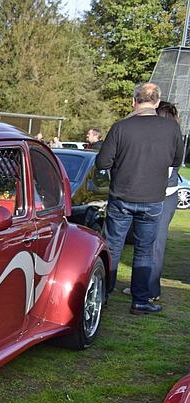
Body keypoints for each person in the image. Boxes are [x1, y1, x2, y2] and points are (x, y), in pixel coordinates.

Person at [95, 82, 183, 315]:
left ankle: (103, 293)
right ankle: (140, 301)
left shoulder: (121, 127)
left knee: (113, 246)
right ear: (157, 102)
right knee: (144, 250)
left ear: (134, 101)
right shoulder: (171, 129)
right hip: (153, 198)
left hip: (122, 196)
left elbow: (102, 162)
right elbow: (177, 160)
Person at [147, 101, 182, 302]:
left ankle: (151, 290)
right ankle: (145, 286)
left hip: (164, 195)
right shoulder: (172, 135)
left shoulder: (169, 139)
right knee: (148, 243)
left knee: (155, 244)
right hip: (162, 194)